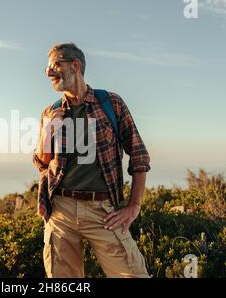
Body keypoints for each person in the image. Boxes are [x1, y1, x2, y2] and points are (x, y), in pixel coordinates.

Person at [33, 43, 151, 278]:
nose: (49, 72)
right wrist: (47, 134)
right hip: (61, 212)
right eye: (47, 67)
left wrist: (133, 207)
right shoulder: (50, 112)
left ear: (75, 65)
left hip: (103, 212)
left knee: (134, 274)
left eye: (56, 64)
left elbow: (138, 155)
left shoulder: (111, 104)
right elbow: (42, 163)